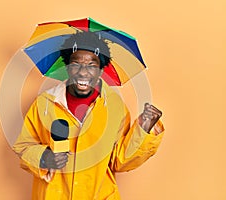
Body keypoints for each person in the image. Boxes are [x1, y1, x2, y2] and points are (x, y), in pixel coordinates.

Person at [13, 31, 164, 200]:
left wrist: (143, 130)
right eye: (76, 64)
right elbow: (23, 146)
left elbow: (119, 161)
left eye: (92, 65)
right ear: (68, 67)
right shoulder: (44, 103)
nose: (83, 72)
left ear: (100, 70)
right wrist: (44, 158)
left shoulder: (115, 107)